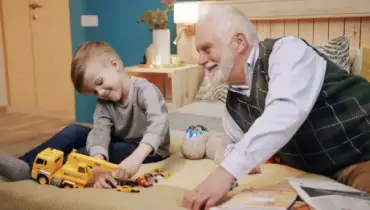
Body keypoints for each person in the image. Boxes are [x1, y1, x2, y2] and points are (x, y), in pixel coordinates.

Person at [182, 5, 370, 210]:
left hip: (361, 152)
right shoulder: (232, 107)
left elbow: (284, 111)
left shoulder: (287, 50)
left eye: (207, 49)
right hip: (312, 174)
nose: (200, 60)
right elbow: (240, 150)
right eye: (198, 51)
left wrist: (223, 175)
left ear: (238, 42)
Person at [0, 41, 171, 188]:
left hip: (148, 149)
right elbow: (100, 132)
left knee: (82, 153)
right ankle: (24, 164)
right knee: (75, 131)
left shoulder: (145, 90)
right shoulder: (105, 102)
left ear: (115, 65)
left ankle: (52, 169)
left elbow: (158, 124)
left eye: (100, 83)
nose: (101, 93)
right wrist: (97, 165)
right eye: (94, 92)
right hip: (121, 139)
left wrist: (136, 158)